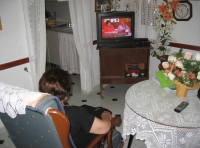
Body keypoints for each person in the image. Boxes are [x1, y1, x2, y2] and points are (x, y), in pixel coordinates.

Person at [38, 68, 115, 148]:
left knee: (85, 108)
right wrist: (105, 114)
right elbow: (104, 128)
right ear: (66, 96)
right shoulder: (75, 113)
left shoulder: (37, 110)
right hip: (86, 144)